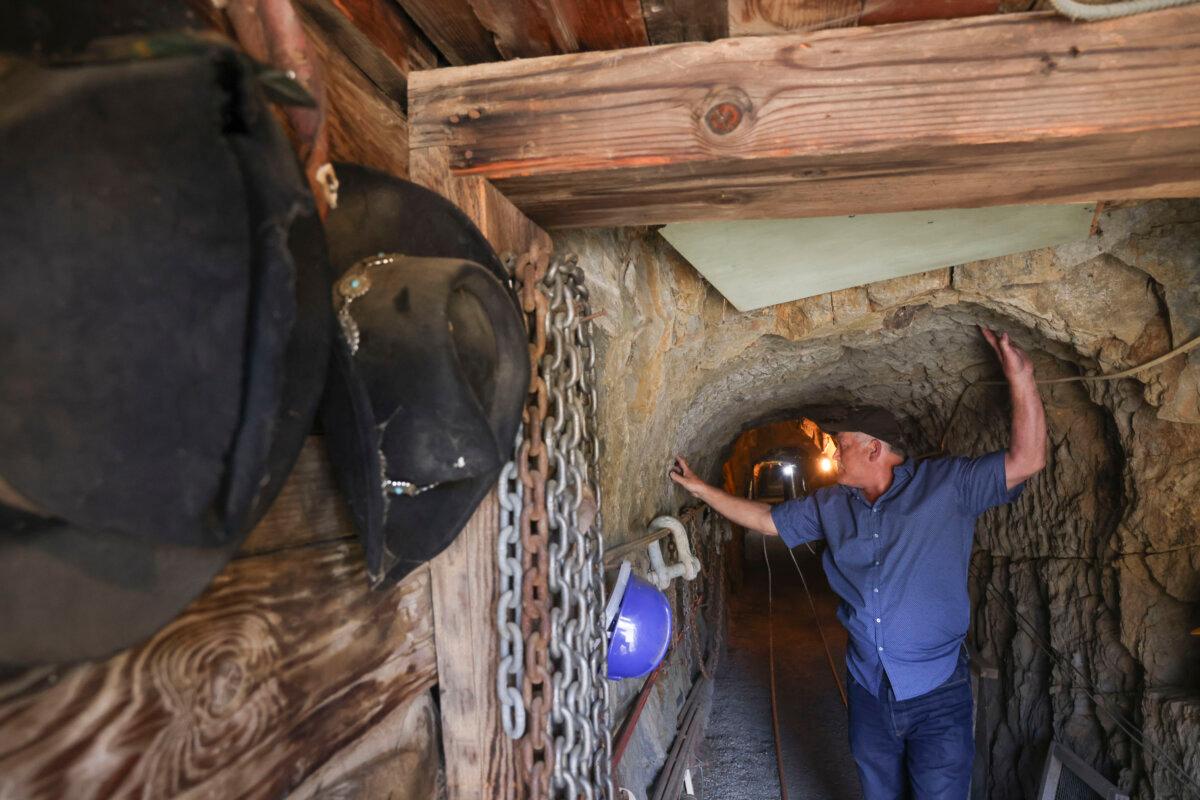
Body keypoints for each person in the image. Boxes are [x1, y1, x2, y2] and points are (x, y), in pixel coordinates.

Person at [669, 327, 1046, 799]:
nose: (833, 451)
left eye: (842, 444)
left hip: (936, 691)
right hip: (869, 687)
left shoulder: (946, 485)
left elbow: (1027, 460)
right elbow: (767, 520)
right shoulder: (832, 504)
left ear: (874, 448)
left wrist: (1023, 379)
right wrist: (703, 490)